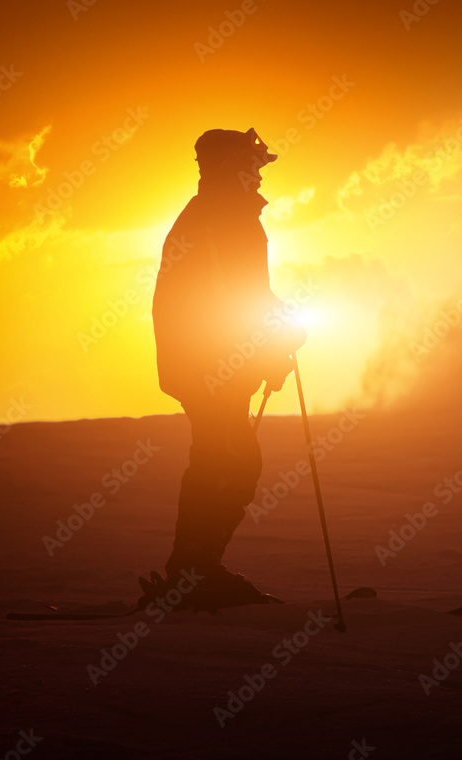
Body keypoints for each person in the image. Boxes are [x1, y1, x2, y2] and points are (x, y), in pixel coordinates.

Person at [139, 128, 305, 609]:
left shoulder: (215, 215)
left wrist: (274, 337)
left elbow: (243, 296)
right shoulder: (223, 217)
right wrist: (274, 340)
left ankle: (194, 572)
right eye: (251, 166)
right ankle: (193, 576)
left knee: (225, 461)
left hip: (212, 364)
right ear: (230, 168)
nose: (257, 175)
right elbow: (237, 299)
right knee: (226, 462)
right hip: (211, 367)